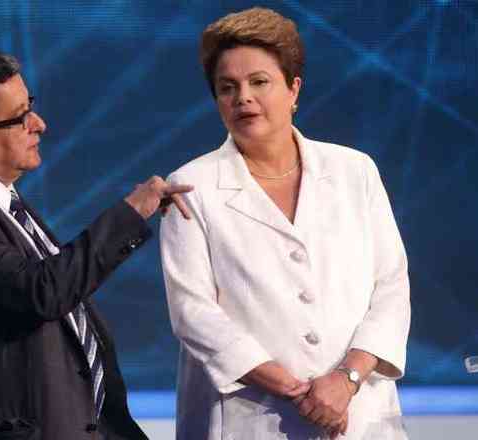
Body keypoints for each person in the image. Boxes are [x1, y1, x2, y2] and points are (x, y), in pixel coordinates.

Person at [0, 48, 191, 440]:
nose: (40, 124)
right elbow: (42, 291)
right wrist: (132, 213)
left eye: (30, 106)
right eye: (19, 118)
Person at [160, 7, 410, 440]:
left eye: (259, 82)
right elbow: (192, 312)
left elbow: (390, 286)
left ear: (294, 89)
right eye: (227, 87)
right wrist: (300, 392)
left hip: (360, 415)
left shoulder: (355, 170)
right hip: (249, 419)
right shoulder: (191, 185)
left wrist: (345, 381)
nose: (243, 98)